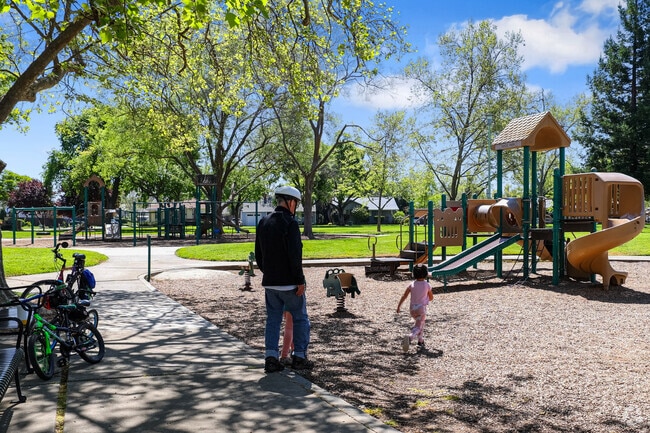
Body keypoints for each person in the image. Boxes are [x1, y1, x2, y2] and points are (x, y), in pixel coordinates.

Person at [255, 186, 313, 373]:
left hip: (270, 282)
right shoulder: (291, 223)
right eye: (296, 203)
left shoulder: (263, 222)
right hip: (289, 283)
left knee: (272, 319)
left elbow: (259, 254)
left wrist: (269, 272)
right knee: (300, 318)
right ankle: (300, 357)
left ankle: (271, 357)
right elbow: (295, 255)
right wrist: (300, 280)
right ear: (291, 202)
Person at [396, 263, 434, 353]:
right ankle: (410, 337)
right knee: (418, 326)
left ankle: (420, 341)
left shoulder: (412, 284)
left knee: (420, 324)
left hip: (412, 309)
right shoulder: (427, 285)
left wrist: (399, 306)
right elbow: (431, 297)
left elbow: (404, 295)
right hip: (421, 309)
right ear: (425, 274)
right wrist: (427, 297)